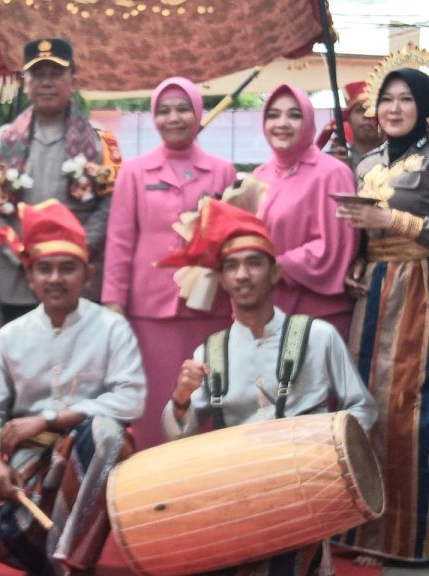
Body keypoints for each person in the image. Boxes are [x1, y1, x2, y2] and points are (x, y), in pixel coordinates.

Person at [160, 198, 376, 575]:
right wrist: (180, 398)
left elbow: (363, 408)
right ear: (222, 279)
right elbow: (180, 436)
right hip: (236, 490)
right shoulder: (211, 351)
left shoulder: (318, 336)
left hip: (304, 486)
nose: (243, 275)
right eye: (231, 266)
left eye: (254, 263)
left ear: (275, 273)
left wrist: (329, 456)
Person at [0, 200, 146, 576]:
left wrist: (49, 418)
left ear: (88, 275)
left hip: (95, 456)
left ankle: (67, 561)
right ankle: (61, 555)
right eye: (44, 269)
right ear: (30, 277)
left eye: (67, 268)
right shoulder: (11, 336)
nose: (55, 279)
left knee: (103, 432)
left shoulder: (112, 328)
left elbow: (131, 398)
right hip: (32, 456)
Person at [102, 76, 236, 449]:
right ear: (153, 116)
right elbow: (119, 241)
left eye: (182, 109)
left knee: (206, 398)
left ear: (198, 113)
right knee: (152, 402)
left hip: (208, 307)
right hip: (148, 311)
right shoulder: (134, 171)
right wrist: (113, 304)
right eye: (164, 111)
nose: (173, 118)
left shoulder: (223, 171)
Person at [335, 65, 429, 564]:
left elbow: (387, 221)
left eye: (406, 98)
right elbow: (360, 232)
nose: (394, 108)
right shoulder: (365, 162)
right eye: (387, 99)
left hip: (419, 293)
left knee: (411, 413)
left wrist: (390, 219)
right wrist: (357, 260)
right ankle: (365, 533)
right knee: (364, 405)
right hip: (371, 294)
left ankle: (410, 539)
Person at [0, 37, 122, 323]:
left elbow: (111, 206)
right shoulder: (1, 141)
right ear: (25, 82)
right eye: (38, 74)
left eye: (56, 74)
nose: (46, 82)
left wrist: (71, 253)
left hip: (78, 280)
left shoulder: (100, 142)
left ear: (73, 80)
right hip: (16, 280)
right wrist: (21, 253)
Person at [254, 83, 359, 338]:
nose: (282, 123)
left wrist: (275, 267)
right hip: (265, 311)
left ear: (309, 121)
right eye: (273, 115)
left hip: (318, 315)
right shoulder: (259, 176)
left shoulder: (332, 173)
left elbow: (337, 246)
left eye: (294, 115)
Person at [316, 80, 383, 170]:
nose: (366, 115)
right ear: (348, 118)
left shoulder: (399, 160)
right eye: (359, 110)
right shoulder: (327, 161)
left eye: (372, 110)